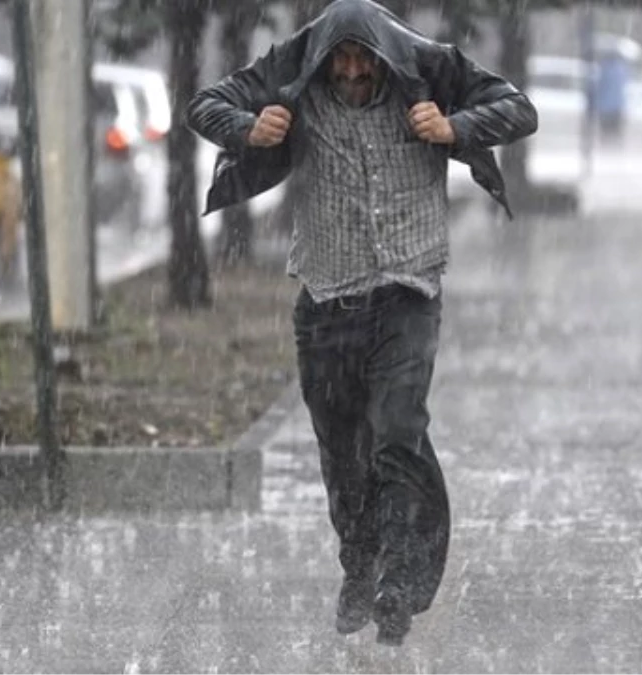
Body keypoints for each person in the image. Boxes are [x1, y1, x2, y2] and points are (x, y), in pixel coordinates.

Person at [187, 0, 537, 646]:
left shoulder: (428, 68)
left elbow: (519, 109)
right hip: (324, 299)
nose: (350, 70)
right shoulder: (292, 68)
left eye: (361, 59)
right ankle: (360, 567)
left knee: (397, 433)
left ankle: (398, 584)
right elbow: (205, 105)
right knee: (343, 454)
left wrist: (454, 126)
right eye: (339, 60)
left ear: (383, 56)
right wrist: (248, 128)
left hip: (407, 291)